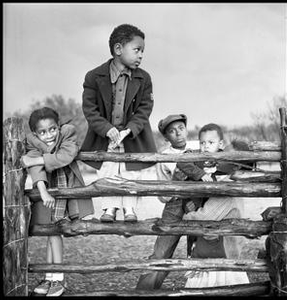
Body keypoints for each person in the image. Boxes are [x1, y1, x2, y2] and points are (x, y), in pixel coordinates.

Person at [81, 23, 157, 223]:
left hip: (131, 136)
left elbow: (144, 109)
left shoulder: (144, 78)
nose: (141, 55)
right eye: (137, 50)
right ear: (118, 49)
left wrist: (130, 129)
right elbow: (90, 110)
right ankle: (109, 208)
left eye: (143, 51)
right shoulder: (94, 77)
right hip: (105, 137)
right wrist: (107, 129)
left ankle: (130, 209)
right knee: (108, 169)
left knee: (130, 171)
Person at [21, 107, 94, 296]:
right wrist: (43, 193)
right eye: (42, 132)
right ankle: (49, 277)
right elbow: (36, 171)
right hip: (48, 187)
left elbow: (64, 157)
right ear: (35, 134)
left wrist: (35, 160)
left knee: (55, 231)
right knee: (50, 232)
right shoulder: (32, 142)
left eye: (52, 129)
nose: (49, 135)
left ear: (58, 126)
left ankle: (58, 278)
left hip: (65, 185)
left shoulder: (68, 133)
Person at [174, 123, 249, 288]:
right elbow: (183, 162)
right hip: (223, 247)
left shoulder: (227, 188)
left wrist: (187, 216)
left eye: (227, 156)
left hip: (218, 251)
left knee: (215, 286)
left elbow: (204, 216)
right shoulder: (229, 181)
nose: (222, 157)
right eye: (203, 143)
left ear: (236, 165)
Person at [136, 113, 202, 290]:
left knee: (199, 250)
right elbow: (162, 195)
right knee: (161, 251)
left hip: (199, 203)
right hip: (174, 205)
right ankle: (145, 291)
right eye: (172, 131)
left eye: (181, 128)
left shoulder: (199, 146)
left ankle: (198, 288)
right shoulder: (164, 156)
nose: (178, 133)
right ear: (166, 137)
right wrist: (176, 181)